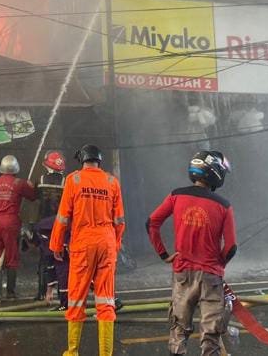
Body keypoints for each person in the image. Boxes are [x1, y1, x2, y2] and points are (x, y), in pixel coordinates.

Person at [147, 150, 236, 356]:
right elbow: (231, 246)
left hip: (182, 273)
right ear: (215, 173)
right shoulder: (224, 205)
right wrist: (218, 265)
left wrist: (164, 254)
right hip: (211, 276)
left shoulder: (176, 196)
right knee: (211, 336)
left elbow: (152, 223)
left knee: (178, 331)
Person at [50, 144, 125, 356]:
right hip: (106, 244)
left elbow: (63, 217)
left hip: (83, 245)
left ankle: (73, 351)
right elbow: (119, 221)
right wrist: (115, 244)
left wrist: (56, 245)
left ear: (82, 160)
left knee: (76, 298)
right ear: (99, 161)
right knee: (106, 300)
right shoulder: (112, 182)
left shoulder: (73, 180)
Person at [0, 154, 38, 298]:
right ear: (16, 168)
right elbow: (33, 197)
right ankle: (10, 292)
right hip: (11, 222)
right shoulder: (19, 183)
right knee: (11, 257)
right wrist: (30, 186)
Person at [31, 168, 69, 306]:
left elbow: (33, 196)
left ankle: (42, 293)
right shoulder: (66, 181)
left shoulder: (40, 180)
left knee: (45, 260)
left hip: (44, 225)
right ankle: (63, 295)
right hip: (60, 225)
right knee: (62, 261)